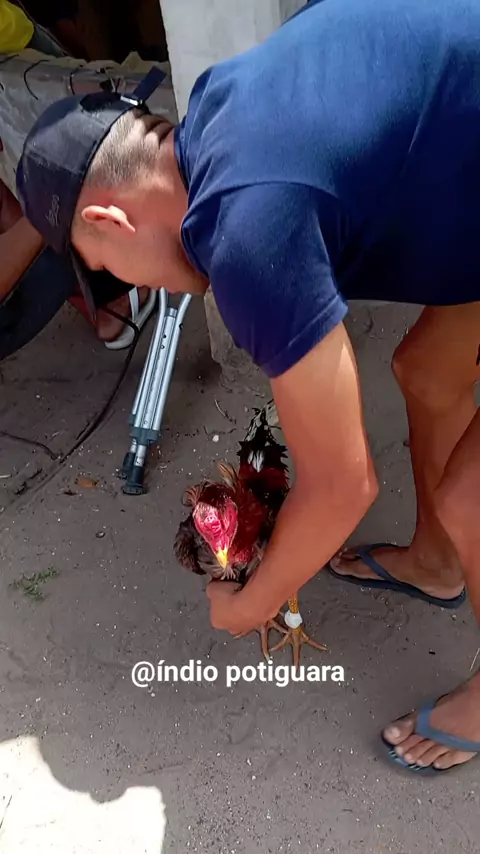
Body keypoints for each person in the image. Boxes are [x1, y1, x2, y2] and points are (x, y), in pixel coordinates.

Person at [15, 0, 480, 773]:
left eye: (107, 269)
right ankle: (439, 563)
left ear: (110, 220)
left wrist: (253, 603)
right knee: (428, 372)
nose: (134, 286)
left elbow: (343, 484)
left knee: (472, 496)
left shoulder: (247, 228)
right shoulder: (218, 110)